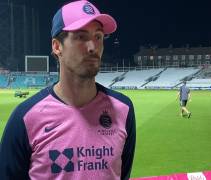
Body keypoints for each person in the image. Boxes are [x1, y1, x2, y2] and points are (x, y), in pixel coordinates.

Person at [0, 1, 136, 180]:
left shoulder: (123, 110)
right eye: (80, 37)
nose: (92, 47)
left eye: (98, 36)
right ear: (57, 47)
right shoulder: (25, 118)